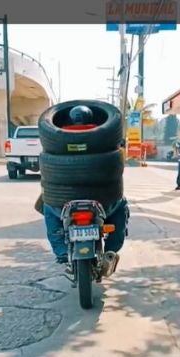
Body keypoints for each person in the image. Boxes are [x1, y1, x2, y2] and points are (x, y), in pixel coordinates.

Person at [37, 105, 129, 275]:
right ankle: (111, 250)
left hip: (62, 201)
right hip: (104, 200)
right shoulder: (104, 137)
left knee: (48, 207)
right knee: (121, 206)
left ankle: (61, 252)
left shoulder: (56, 139)